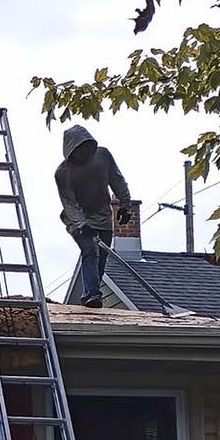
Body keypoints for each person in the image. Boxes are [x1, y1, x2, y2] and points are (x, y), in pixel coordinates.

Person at [55, 123, 132, 308]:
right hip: (76, 219)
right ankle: (91, 294)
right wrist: (82, 224)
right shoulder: (63, 173)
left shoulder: (103, 156)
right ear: (72, 150)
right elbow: (69, 204)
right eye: (80, 150)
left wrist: (125, 205)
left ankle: (92, 292)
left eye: (87, 149)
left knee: (102, 256)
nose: (85, 154)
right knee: (90, 250)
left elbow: (117, 179)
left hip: (103, 217)